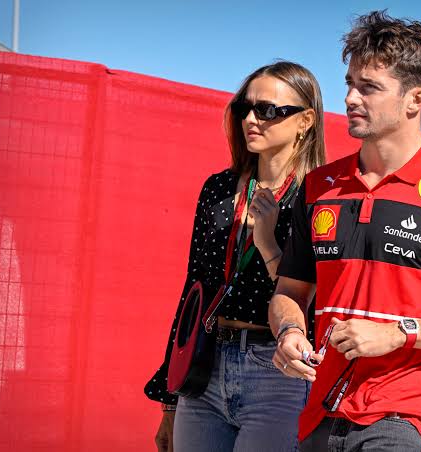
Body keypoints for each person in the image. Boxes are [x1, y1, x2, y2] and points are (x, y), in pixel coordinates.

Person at [269, 11, 421, 452]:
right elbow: (290, 290)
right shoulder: (319, 186)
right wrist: (289, 332)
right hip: (318, 417)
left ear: (415, 100)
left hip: (402, 421)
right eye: (349, 83)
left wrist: (400, 332)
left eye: (368, 87)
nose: (349, 97)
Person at [144, 61, 326, 452]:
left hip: (275, 370)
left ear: (305, 121)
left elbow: (312, 300)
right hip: (205, 365)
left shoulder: (319, 198)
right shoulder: (220, 188)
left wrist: (267, 244)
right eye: (246, 107)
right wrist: (169, 400)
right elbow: (193, 291)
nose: (251, 119)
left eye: (268, 110)